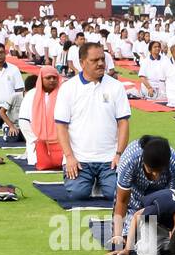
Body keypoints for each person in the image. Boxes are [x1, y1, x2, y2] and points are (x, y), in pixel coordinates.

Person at [54, 42, 131, 202]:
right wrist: (69, 157)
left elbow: (123, 122)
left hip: (109, 159)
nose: (101, 63)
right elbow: (61, 126)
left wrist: (119, 154)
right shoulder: (69, 88)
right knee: (77, 194)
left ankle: (101, 182)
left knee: (116, 195)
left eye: (102, 59)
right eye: (95, 60)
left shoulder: (116, 87)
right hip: (80, 159)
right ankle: (92, 182)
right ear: (82, 63)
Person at [107, 134, 175, 255]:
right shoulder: (130, 160)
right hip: (133, 203)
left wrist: (173, 233)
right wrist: (117, 235)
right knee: (124, 239)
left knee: (172, 242)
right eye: (151, 170)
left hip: (161, 207)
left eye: (159, 171)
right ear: (143, 161)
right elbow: (121, 200)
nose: (156, 176)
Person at [17, 66, 64, 171]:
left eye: (54, 77)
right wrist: (36, 140)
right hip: (37, 142)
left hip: (61, 142)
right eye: (48, 78)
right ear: (41, 79)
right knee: (41, 163)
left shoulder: (64, 94)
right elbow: (24, 121)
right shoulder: (31, 95)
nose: (52, 80)